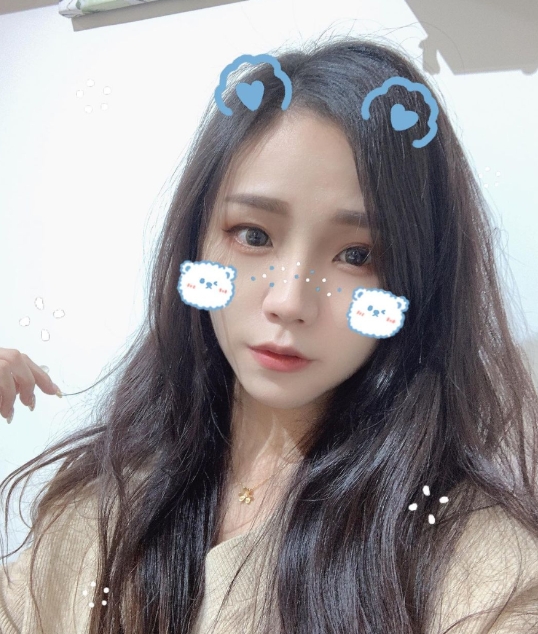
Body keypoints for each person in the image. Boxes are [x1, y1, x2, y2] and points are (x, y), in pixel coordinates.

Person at [1, 33, 538, 634]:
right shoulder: (101, 504)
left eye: (357, 255)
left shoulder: (481, 571)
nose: (289, 301)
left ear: (420, 279)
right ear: (195, 240)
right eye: (253, 236)